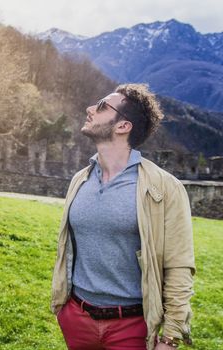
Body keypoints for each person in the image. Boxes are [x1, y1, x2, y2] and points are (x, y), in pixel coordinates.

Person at [51, 84, 196, 350]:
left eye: (103, 106)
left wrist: (171, 337)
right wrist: (66, 312)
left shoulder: (164, 187)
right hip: (77, 318)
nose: (90, 109)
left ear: (123, 126)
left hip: (132, 327)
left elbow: (179, 265)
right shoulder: (79, 180)